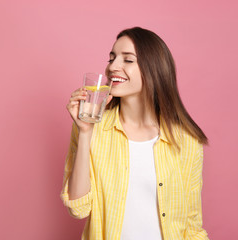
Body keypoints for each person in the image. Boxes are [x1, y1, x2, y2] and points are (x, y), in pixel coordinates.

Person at [60, 27, 209, 240]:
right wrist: (85, 133)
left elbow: (192, 226)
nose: (113, 67)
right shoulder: (94, 129)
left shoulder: (187, 140)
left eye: (128, 60)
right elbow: (78, 208)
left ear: (153, 68)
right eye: (112, 58)